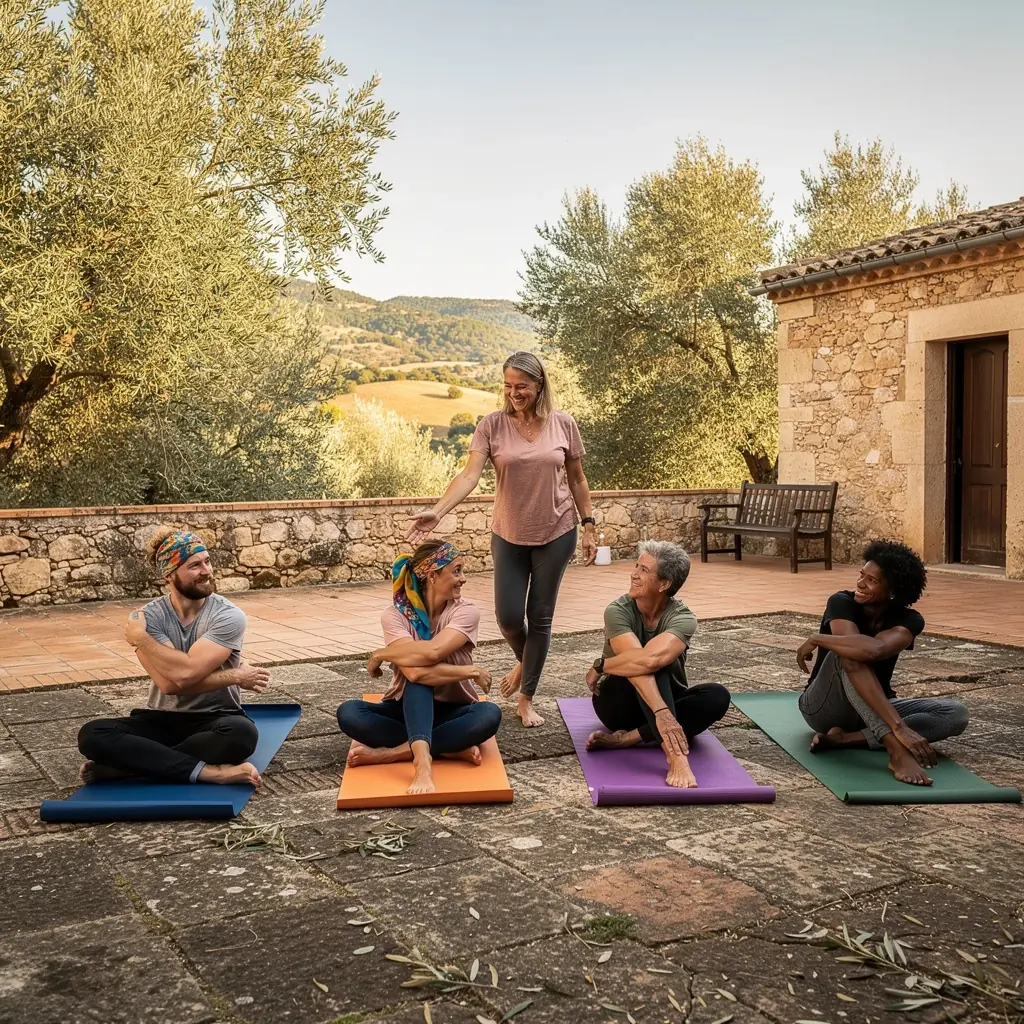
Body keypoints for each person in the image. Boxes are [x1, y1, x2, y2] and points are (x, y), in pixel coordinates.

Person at [406, 351, 597, 728]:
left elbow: (577, 478)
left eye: (522, 386)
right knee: (509, 618)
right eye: (508, 386)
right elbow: (468, 475)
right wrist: (438, 511)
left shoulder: (563, 424)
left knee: (539, 618)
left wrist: (589, 525)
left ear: (539, 385)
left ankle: (526, 697)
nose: (514, 393)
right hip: (508, 532)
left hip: (557, 530)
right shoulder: (491, 425)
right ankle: (526, 660)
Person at [77, 528, 269, 787]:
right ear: (169, 574)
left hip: (216, 717)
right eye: (194, 566)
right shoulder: (147, 617)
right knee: (92, 734)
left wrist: (143, 640)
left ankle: (133, 766)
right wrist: (234, 675)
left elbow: (185, 674)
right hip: (161, 718)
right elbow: (172, 683)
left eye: (207, 561)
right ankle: (211, 773)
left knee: (241, 735)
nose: (207, 571)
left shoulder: (227, 616)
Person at [797, 539, 970, 787]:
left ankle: (844, 740)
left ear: (892, 592)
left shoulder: (909, 620)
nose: (860, 583)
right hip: (823, 707)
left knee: (955, 714)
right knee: (847, 653)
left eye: (872, 580)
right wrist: (897, 731)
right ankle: (895, 751)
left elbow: (876, 650)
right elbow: (857, 652)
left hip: (875, 707)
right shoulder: (841, 602)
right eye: (861, 575)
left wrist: (816, 638)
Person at [337, 540, 501, 796]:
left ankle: (399, 754)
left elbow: (434, 651)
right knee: (349, 712)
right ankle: (444, 750)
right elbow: (414, 673)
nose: (463, 579)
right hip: (406, 707)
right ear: (433, 575)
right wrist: (469, 671)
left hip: (453, 709)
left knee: (489, 714)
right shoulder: (395, 615)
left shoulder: (466, 612)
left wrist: (382, 654)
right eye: (456, 571)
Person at [583, 541, 731, 789]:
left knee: (717, 696)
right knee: (648, 666)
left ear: (664, 584)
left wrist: (601, 665)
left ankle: (629, 739)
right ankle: (676, 758)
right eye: (636, 566)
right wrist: (663, 715)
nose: (634, 574)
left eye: (644, 570)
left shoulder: (683, 617)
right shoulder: (617, 610)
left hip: (669, 701)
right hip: (618, 704)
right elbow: (641, 664)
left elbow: (650, 659)